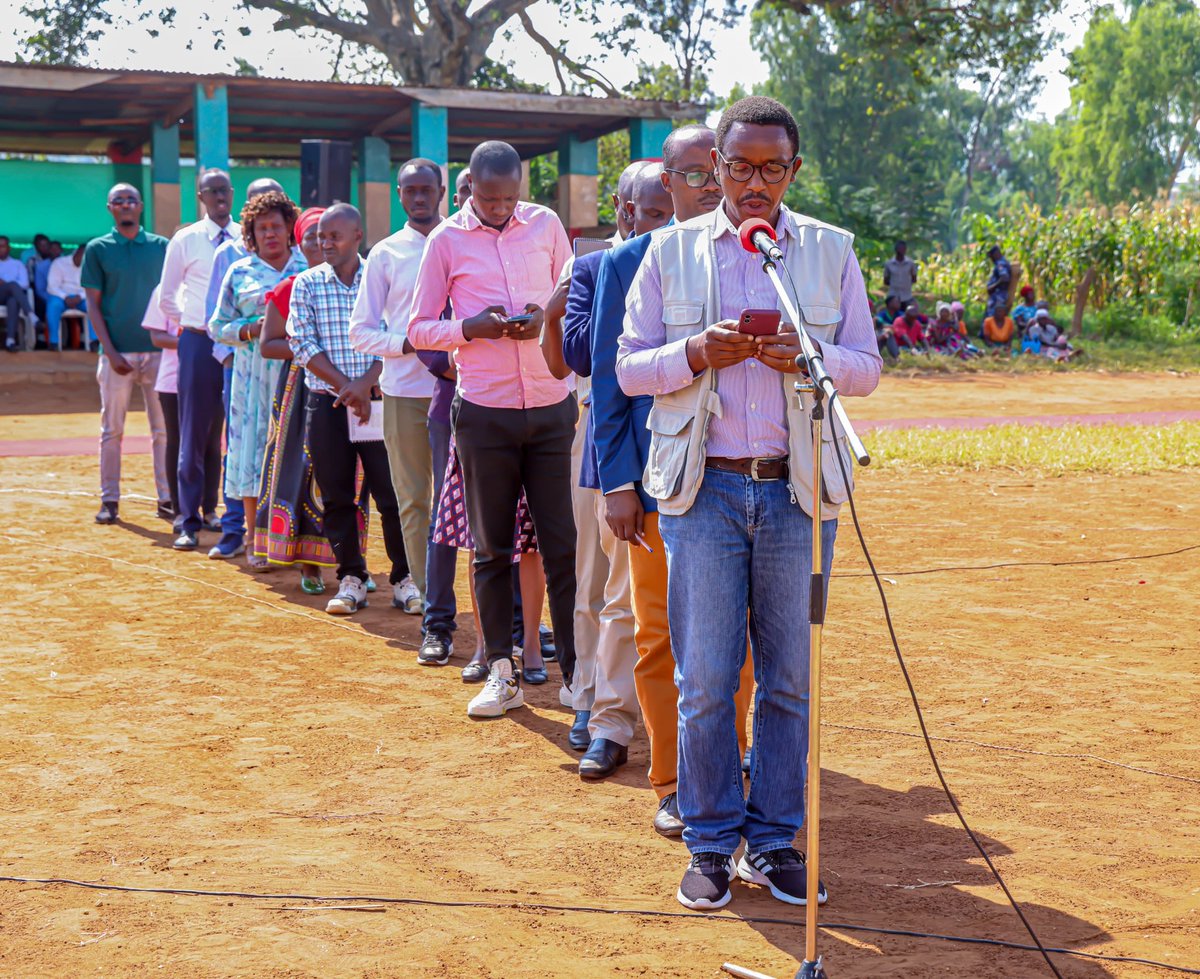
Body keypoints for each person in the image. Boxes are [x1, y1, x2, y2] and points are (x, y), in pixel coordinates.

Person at [617, 96, 882, 910]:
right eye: (739, 167)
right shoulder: (669, 251)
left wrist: (809, 355)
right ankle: (708, 842)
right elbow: (628, 369)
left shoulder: (830, 251)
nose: (754, 182)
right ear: (715, 171)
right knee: (703, 679)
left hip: (797, 492)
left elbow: (866, 368)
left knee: (790, 680)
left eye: (772, 167)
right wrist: (697, 350)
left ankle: (772, 844)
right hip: (705, 492)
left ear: (794, 171)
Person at [594, 123, 756, 837]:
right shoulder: (628, 261)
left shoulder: (757, 253)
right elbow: (610, 383)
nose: (708, 185)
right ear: (667, 181)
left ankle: (735, 765)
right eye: (691, 173)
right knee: (660, 637)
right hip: (658, 482)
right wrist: (618, 483)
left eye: (713, 171)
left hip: (737, 482)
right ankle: (671, 779)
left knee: (739, 642)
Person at [409, 139, 577, 720]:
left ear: (522, 187)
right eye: (488, 197)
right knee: (491, 548)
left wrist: (543, 318)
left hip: (552, 404)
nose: (501, 208)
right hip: (484, 412)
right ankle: (501, 672)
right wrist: (471, 328)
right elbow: (419, 328)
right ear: (470, 188)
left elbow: (571, 288)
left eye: (510, 197)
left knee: (561, 545)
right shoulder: (445, 240)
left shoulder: (547, 223)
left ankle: (576, 678)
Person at [555, 162, 673, 778]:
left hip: (692, 458)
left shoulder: (704, 259)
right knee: (609, 593)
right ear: (626, 212)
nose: (667, 221)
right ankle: (600, 712)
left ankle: (683, 732)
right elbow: (591, 365)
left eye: (672, 208)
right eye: (653, 211)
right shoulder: (603, 268)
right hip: (617, 454)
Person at [289, 204, 411, 615]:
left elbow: (397, 336)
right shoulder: (306, 283)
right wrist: (349, 389)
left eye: (334, 236)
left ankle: (404, 578)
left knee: (391, 494)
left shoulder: (379, 278)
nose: (325, 243)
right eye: (321, 236)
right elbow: (302, 345)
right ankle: (351, 577)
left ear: (358, 236)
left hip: (378, 401)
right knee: (337, 495)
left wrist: (366, 386)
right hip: (328, 404)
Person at [349, 159, 445, 622]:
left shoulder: (465, 241)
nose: (420, 197)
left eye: (428, 189)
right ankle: (431, 598)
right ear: (399, 195)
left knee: (482, 501)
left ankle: (503, 604)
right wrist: (407, 343)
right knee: (413, 498)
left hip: (470, 390)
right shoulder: (386, 254)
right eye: (411, 190)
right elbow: (361, 332)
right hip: (405, 390)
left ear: (442, 191)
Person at [256, 206, 357, 593]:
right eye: (311, 235)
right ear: (300, 242)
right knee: (300, 471)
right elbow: (268, 344)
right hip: (303, 388)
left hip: (349, 385)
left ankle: (349, 563)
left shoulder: (360, 281)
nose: (319, 241)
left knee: (346, 478)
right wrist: (313, 350)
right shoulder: (290, 287)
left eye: (326, 234)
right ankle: (307, 562)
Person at [209, 191, 306, 569]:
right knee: (251, 453)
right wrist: (251, 329)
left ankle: (295, 542)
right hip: (250, 380)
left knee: (295, 454)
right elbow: (216, 325)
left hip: (297, 376)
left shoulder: (306, 269)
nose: (269, 234)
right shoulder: (240, 272)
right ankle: (254, 538)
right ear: (250, 233)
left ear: (288, 230)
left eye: (276, 227)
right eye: (261, 228)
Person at [163, 169, 242, 553]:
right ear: (200, 196)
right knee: (193, 432)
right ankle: (187, 520)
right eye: (211, 191)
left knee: (237, 432)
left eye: (224, 189)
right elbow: (167, 295)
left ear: (232, 192)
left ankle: (225, 515)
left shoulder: (247, 237)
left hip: (239, 347)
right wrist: (194, 323)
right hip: (197, 341)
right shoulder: (186, 239)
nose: (219, 196)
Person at [81, 184, 171, 524]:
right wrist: (109, 349)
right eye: (118, 201)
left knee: (162, 431)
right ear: (110, 208)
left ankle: (166, 498)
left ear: (141, 206)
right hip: (115, 354)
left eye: (131, 200)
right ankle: (110, 500)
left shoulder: (161, 247)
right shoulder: (98, 249)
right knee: (112, 430)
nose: (125, 205)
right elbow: (93, 302)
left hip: (159, 352)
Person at [142, 283, 220, 530]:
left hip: (213, 375)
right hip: (173, 380)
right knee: (177, 442)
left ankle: (209, 509)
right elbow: (156, 336)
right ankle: (180, 510)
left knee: (211, 443)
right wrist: (192, 341)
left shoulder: (217, 286)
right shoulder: (166, 290)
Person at [46, 245, 89, 349]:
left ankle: (94, 341)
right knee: (53, 306)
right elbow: (52, 286)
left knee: (93, 307)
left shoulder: (90, 266)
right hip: (61, 296)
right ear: (77, 253)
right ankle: (54, 342)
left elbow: (93, 287)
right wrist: (65, 297)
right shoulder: (59, 263)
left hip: (81, 297)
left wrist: (80, 296)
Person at [0, 235, 34, 352]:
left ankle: (10, 340)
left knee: (13, 300)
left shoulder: (17, 264)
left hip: (12, 296)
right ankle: (30, 314)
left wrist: (5, 284)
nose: (0, 249)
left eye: (2, 246)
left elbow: (25, 284)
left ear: (8, 248)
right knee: (13, 285)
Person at [883, 239, 917, 305]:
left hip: (907, 296)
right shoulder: (889, 264)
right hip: (893, 295)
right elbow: (886, 280)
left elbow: (914, 278)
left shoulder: (910, 263)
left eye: (903, 249)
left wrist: (905, 284)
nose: (901, 251)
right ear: (896, 250)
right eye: (899, 249)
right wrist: (895, 284)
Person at [986, 244, 1012, 319]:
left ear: (995, 254)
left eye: (991, 256)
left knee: (992, 319)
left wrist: (992, 287)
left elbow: (1004, 278)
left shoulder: (1000, 264)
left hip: (998, 296)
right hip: (998, 296)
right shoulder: (1003, 262)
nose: (991, 259)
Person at [873, 295, 901, 360]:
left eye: (899, 302)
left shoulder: (900, 314)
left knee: (887, 333)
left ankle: (896, 357)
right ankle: (896, 357)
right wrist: (890, 327)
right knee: (887, 333)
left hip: (898, 336)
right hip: (883, 335)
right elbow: (877, 321)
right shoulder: (883, 313)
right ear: (889, 303)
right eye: (896, 301)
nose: (899, 303)